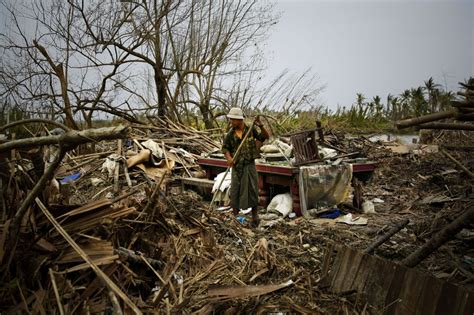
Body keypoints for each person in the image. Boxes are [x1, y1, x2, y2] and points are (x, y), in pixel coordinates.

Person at [222, 107, 269, 227]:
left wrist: (261, 126)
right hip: (237, 166)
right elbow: (225, 148)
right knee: (235, 190)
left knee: (252, 190)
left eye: (233, 120)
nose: (231, 122)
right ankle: (236, 217)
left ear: (239, 120)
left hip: (249, 165)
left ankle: (255, 216)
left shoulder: (250, 130)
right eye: (231, 119)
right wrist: (229, 158)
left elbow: (265, 137)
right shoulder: (230, 134)